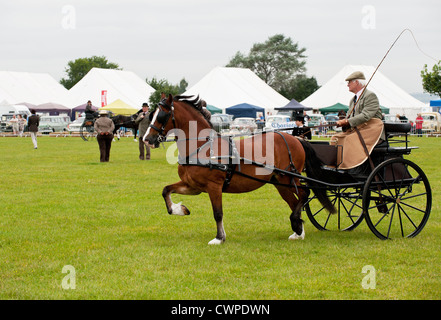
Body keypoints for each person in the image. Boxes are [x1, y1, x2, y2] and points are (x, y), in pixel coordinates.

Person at [331, 71, 384, 170]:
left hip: (372, 131)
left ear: (357, 82)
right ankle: (338, 166)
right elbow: (349, 117)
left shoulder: (370, 96)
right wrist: (343, 123)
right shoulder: (353, 100)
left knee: (349, 140)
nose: (347, 85)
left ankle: (352, 167)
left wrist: (347, 122)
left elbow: (366, 115)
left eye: (349, 82)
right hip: (358, 130)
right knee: (335, 138)